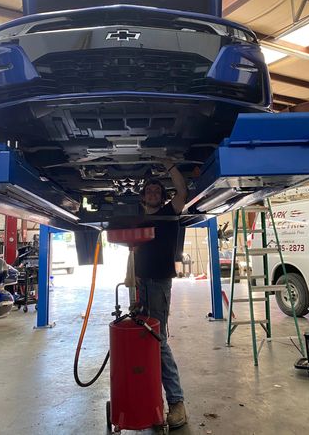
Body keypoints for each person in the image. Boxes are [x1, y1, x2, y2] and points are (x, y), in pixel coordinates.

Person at [134, 159, 188, 430]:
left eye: (157, 190)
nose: (153, 192)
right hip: (140, 283)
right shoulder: (137, 216)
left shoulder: (170, 213)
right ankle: (150, 397)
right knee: (142, 339)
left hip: (159, 284)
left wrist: (169, 167)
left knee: (158, 340)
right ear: (143, 195)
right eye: (149, 190)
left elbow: (182, 192)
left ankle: (177, 403)